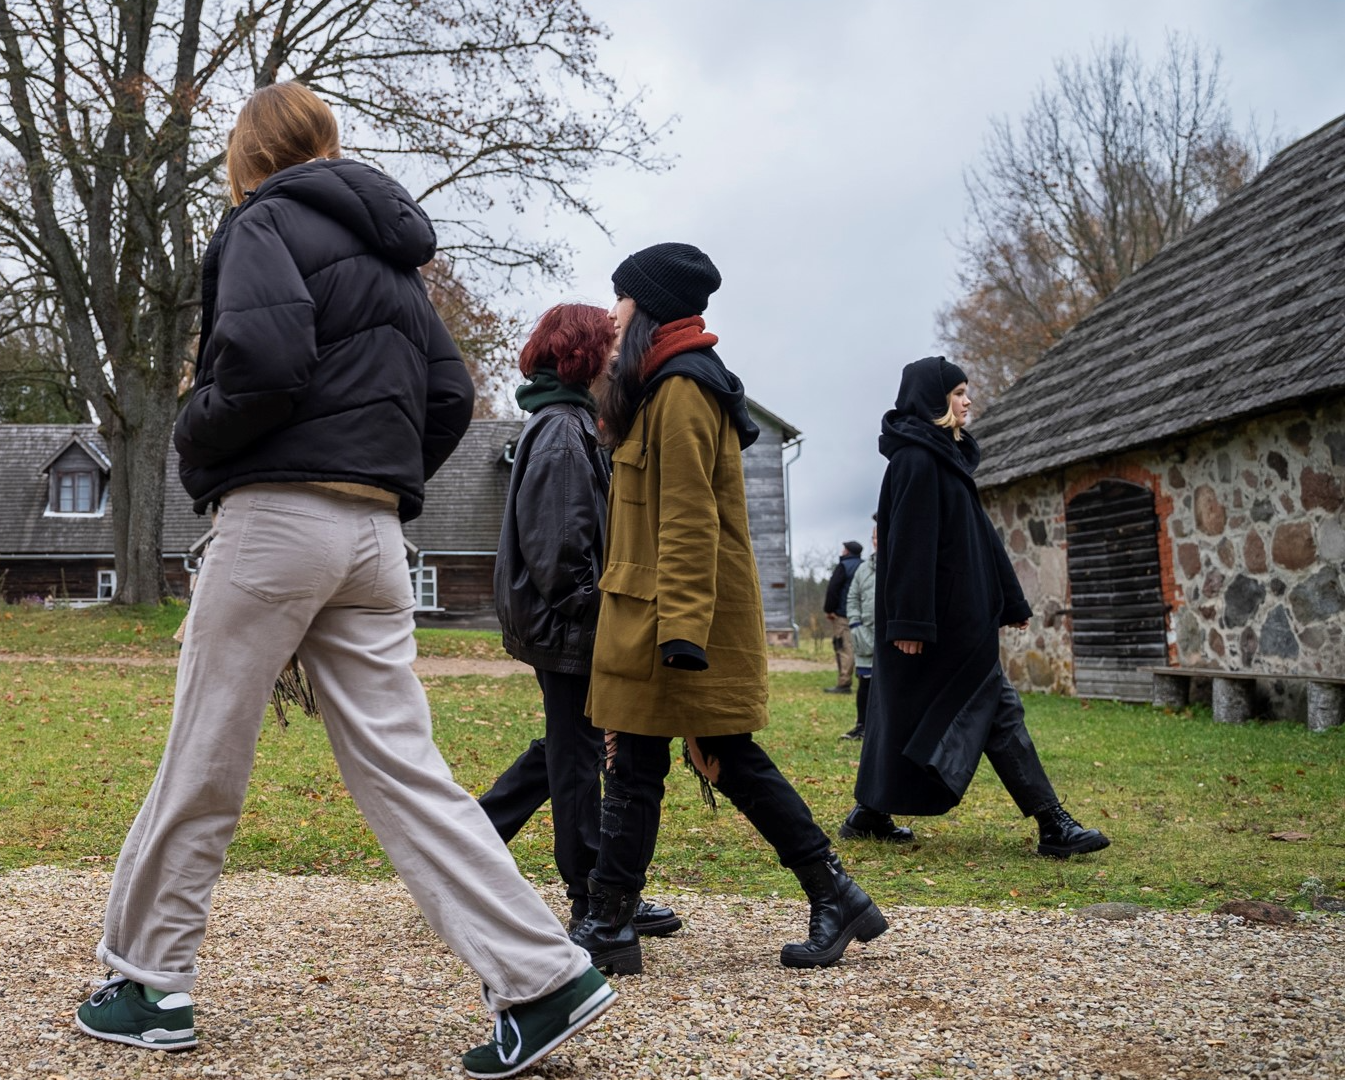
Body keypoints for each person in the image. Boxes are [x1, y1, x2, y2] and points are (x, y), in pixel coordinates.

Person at [76, 83, 612, 1079]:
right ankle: (543, 977)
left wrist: (197, 440)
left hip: (278, 521)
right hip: (375, 538)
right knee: (408, 773)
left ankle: (149, 984)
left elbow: (266, 362)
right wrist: (386, 470)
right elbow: (450, 393)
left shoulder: (259, 222)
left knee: (205, 755)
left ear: (248, 156)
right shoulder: (392, 257)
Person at [574, 242, 887, 975]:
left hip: (673, 624)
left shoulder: (682, 388)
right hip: (653, 615)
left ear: (646, 305)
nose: (612, 315)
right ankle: (613, 922)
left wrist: (681, 633)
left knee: (707, 761)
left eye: (619, 299)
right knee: (661, 766)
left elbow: (688, 519)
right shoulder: (654, 387)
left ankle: (613, 923)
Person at [841, 357, 1110, 859]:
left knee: (905, 713)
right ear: (933, 398)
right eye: (959, 392)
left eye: (967, 391)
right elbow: (910, 547)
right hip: (938, 621)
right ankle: (1052, 823)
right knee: (994, 708)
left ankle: (869, 813)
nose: (968, 400)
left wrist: (1009, 598)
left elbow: (979, 538)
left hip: (962, 617)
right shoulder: (916, 460)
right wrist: (909, 620)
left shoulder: (946, 455)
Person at [476, 303, 683, 943]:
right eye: (611, 349)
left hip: (564, 626)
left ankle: (467, 844)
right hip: (569, 629)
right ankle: (591, 897)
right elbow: (562, 557)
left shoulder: (568, 424)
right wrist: (608, 616)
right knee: (575, 761)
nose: (620, 359)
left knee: (567, 747)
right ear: (584, 356)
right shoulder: (564, 433)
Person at [840, 523, 878, 742]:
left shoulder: (899, 565)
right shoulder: (864, 569)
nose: (876, 541)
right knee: (865, 683)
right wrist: (855, 624)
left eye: (880, 536)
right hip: (865, 635)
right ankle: (862, 726)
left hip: (890, 638)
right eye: (874, 537)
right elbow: (852, 598)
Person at [821, 542, 864, 693]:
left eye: (844, 549)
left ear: (847, 551)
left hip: (844, 615)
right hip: (864, 615)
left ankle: (844, 683)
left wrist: (829, 609)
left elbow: (833, 589)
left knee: (844, 648)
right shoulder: (864, 566)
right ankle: (865, 680)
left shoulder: (844, 567)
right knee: (863, 646)